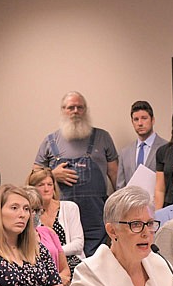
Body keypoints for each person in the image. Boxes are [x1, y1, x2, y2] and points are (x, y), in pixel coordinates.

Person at [34, 91, 118, 256]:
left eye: (80, 107)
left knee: (97, 263)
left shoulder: (102, 137)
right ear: (62, 110)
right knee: (65, 262)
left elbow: (116, 176)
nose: (75, 111)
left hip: (96, 217)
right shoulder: (50, 141)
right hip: (61, 219)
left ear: (85, 110)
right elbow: (34, 177)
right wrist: (52, 175)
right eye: (70, 107)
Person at [27, 167, 86, 276]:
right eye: (41, 185)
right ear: (32, 188)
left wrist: (55, 251)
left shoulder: (69, 207)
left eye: (49, 184)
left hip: (71, 260)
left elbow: (78, 245)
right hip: (43, 263)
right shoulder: (29, 213)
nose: (46, 189)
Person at [24, 186, 71, 286]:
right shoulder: (15, 239)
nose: (35, 214)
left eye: (38, 210)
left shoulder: (49, 232)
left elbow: (65, 270)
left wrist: (58, 280)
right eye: (31, 210)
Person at [117, 100, 167, 189]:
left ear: (153, 120)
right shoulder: (125, 152)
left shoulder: (166, 148)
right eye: (136, 119)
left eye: (144, 118)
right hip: (131, 201)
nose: (140, 123)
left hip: (158, 201)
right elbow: (120, 187)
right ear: (132, 122)